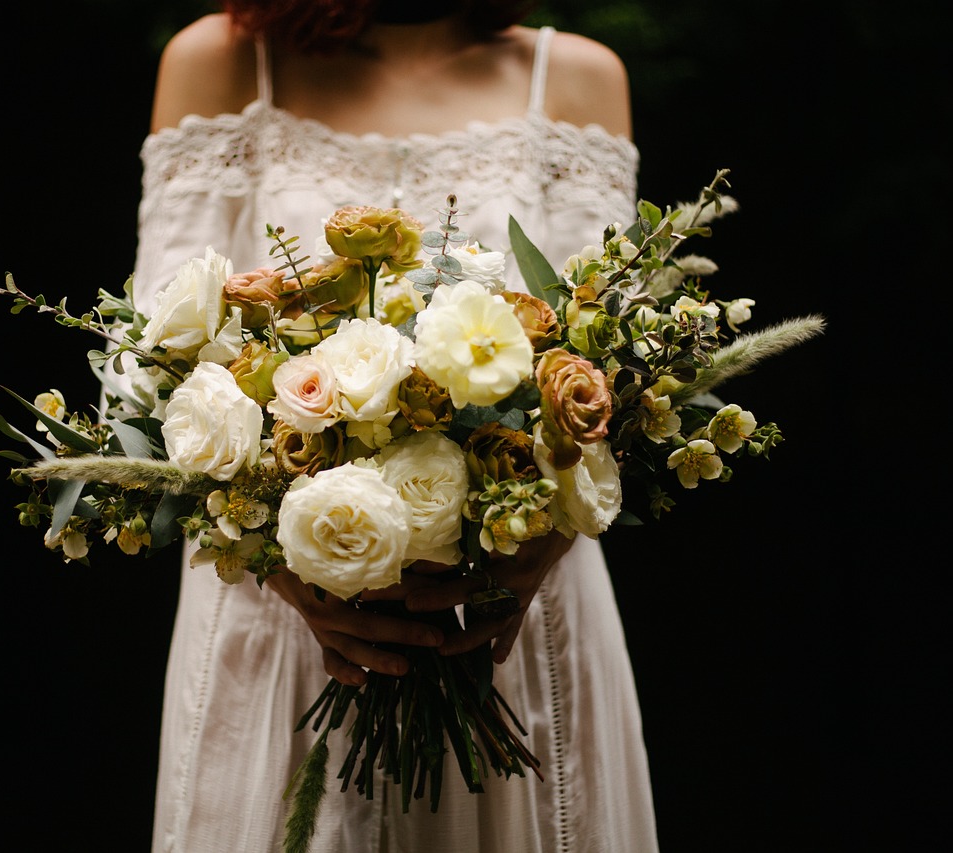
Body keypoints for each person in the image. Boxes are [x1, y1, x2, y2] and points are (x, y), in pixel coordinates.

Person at [131, 1, 659, 849]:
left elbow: (614, 368)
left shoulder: (575, 80)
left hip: (509, 625)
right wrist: (284, 563)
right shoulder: (224, 62)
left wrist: (534, 551)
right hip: (278, 625)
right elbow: (160, 362)